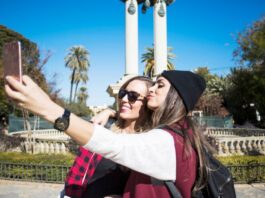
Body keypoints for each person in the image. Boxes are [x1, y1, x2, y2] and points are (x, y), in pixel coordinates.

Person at [5, 70, 211, 198]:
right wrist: (111, 113)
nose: (152, 90)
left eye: (160, 85)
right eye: (123, 94)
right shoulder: (177, 134)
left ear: (176, 96)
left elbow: (115, 145)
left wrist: (48, 108)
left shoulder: (167, 140)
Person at [61, 76, 153, 198]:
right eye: (123, 93)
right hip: (73, 193)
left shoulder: (148, 142)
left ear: (147, 103)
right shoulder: (106, 126)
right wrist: (109, 112)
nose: (124, 99)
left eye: (133, 96)